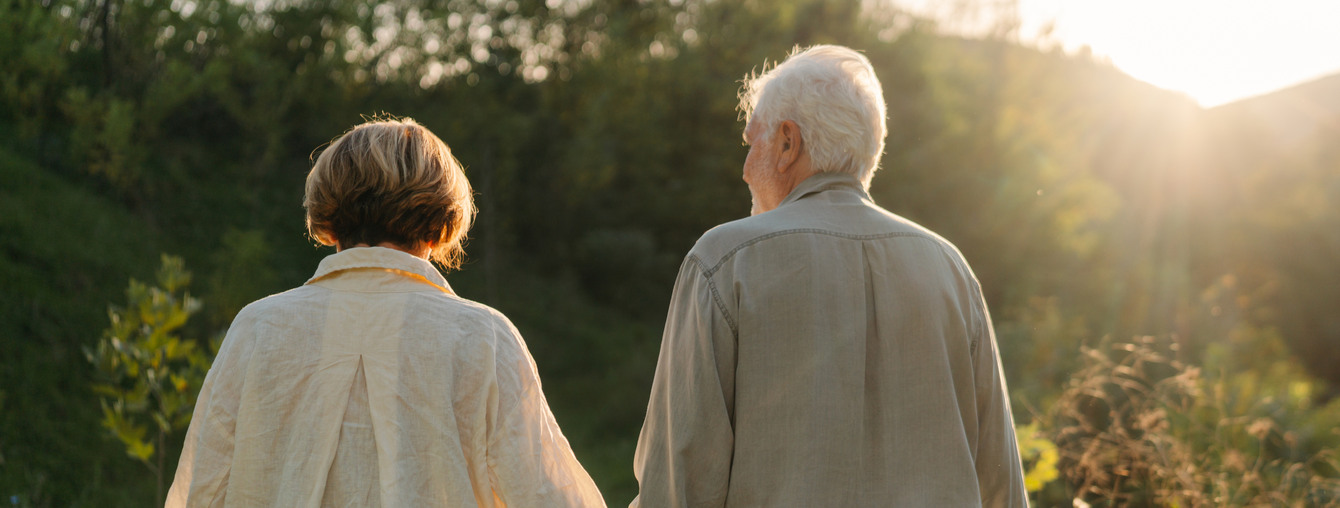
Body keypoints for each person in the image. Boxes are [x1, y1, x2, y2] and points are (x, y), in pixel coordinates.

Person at [631, 45, 1028, 507]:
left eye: (750, 142)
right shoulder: (952, 271)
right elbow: (1001, 486)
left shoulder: (725, 260)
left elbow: (679, 484)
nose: (743, 171)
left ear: (786, 143)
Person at [165, 117, 605, 507]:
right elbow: (550, 496)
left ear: (328, 217)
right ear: (440, 223)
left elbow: (201, 491)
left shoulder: (259, 327)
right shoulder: (482, 337)